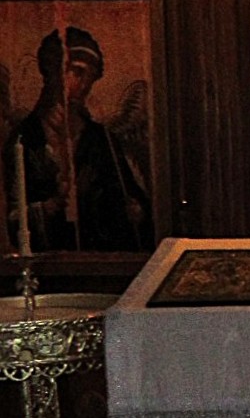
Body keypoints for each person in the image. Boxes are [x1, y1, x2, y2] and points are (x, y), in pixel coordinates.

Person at [5, 27, 151, 252]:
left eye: (90, 77)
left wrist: (135, 211)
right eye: (77, 72)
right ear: (52, 71)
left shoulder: (100, 139)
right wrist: (52, 205)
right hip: (47, 260)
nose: (84, 85)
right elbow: (12, 217)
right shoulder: (25, 138)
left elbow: (130, 198)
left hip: (99, 257)